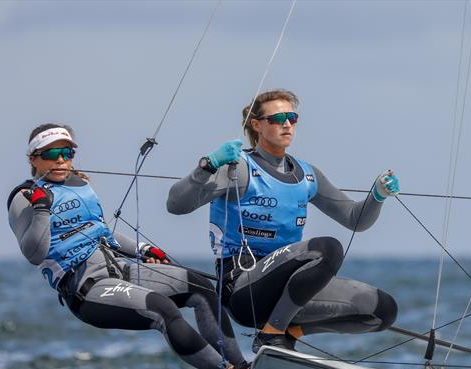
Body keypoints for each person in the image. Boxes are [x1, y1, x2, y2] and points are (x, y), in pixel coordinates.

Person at [7, 123, 251, 369]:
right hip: (86, 287)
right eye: (52, 154)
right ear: (33, 159)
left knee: (202, 288)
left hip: (118, 268)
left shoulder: (81, 185)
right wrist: (42, 208)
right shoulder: (25, 197)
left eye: (67, 152)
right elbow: (33, 253)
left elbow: (102, 233)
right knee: (162, 309)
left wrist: (144, 249)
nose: (62, 159)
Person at [167, 89, 399, 352]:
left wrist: (378, 196)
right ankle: (271, 336)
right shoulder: (238, 168)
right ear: (256, 125)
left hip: (289, 293)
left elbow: (355, 220)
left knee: (382, 310)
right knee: (328, 248)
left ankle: (286, 333)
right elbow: (176, 205)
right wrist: (208, 165)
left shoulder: (308, 175)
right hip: (244, 290)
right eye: (278, 118)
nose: (287, 124)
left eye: (292, 117)